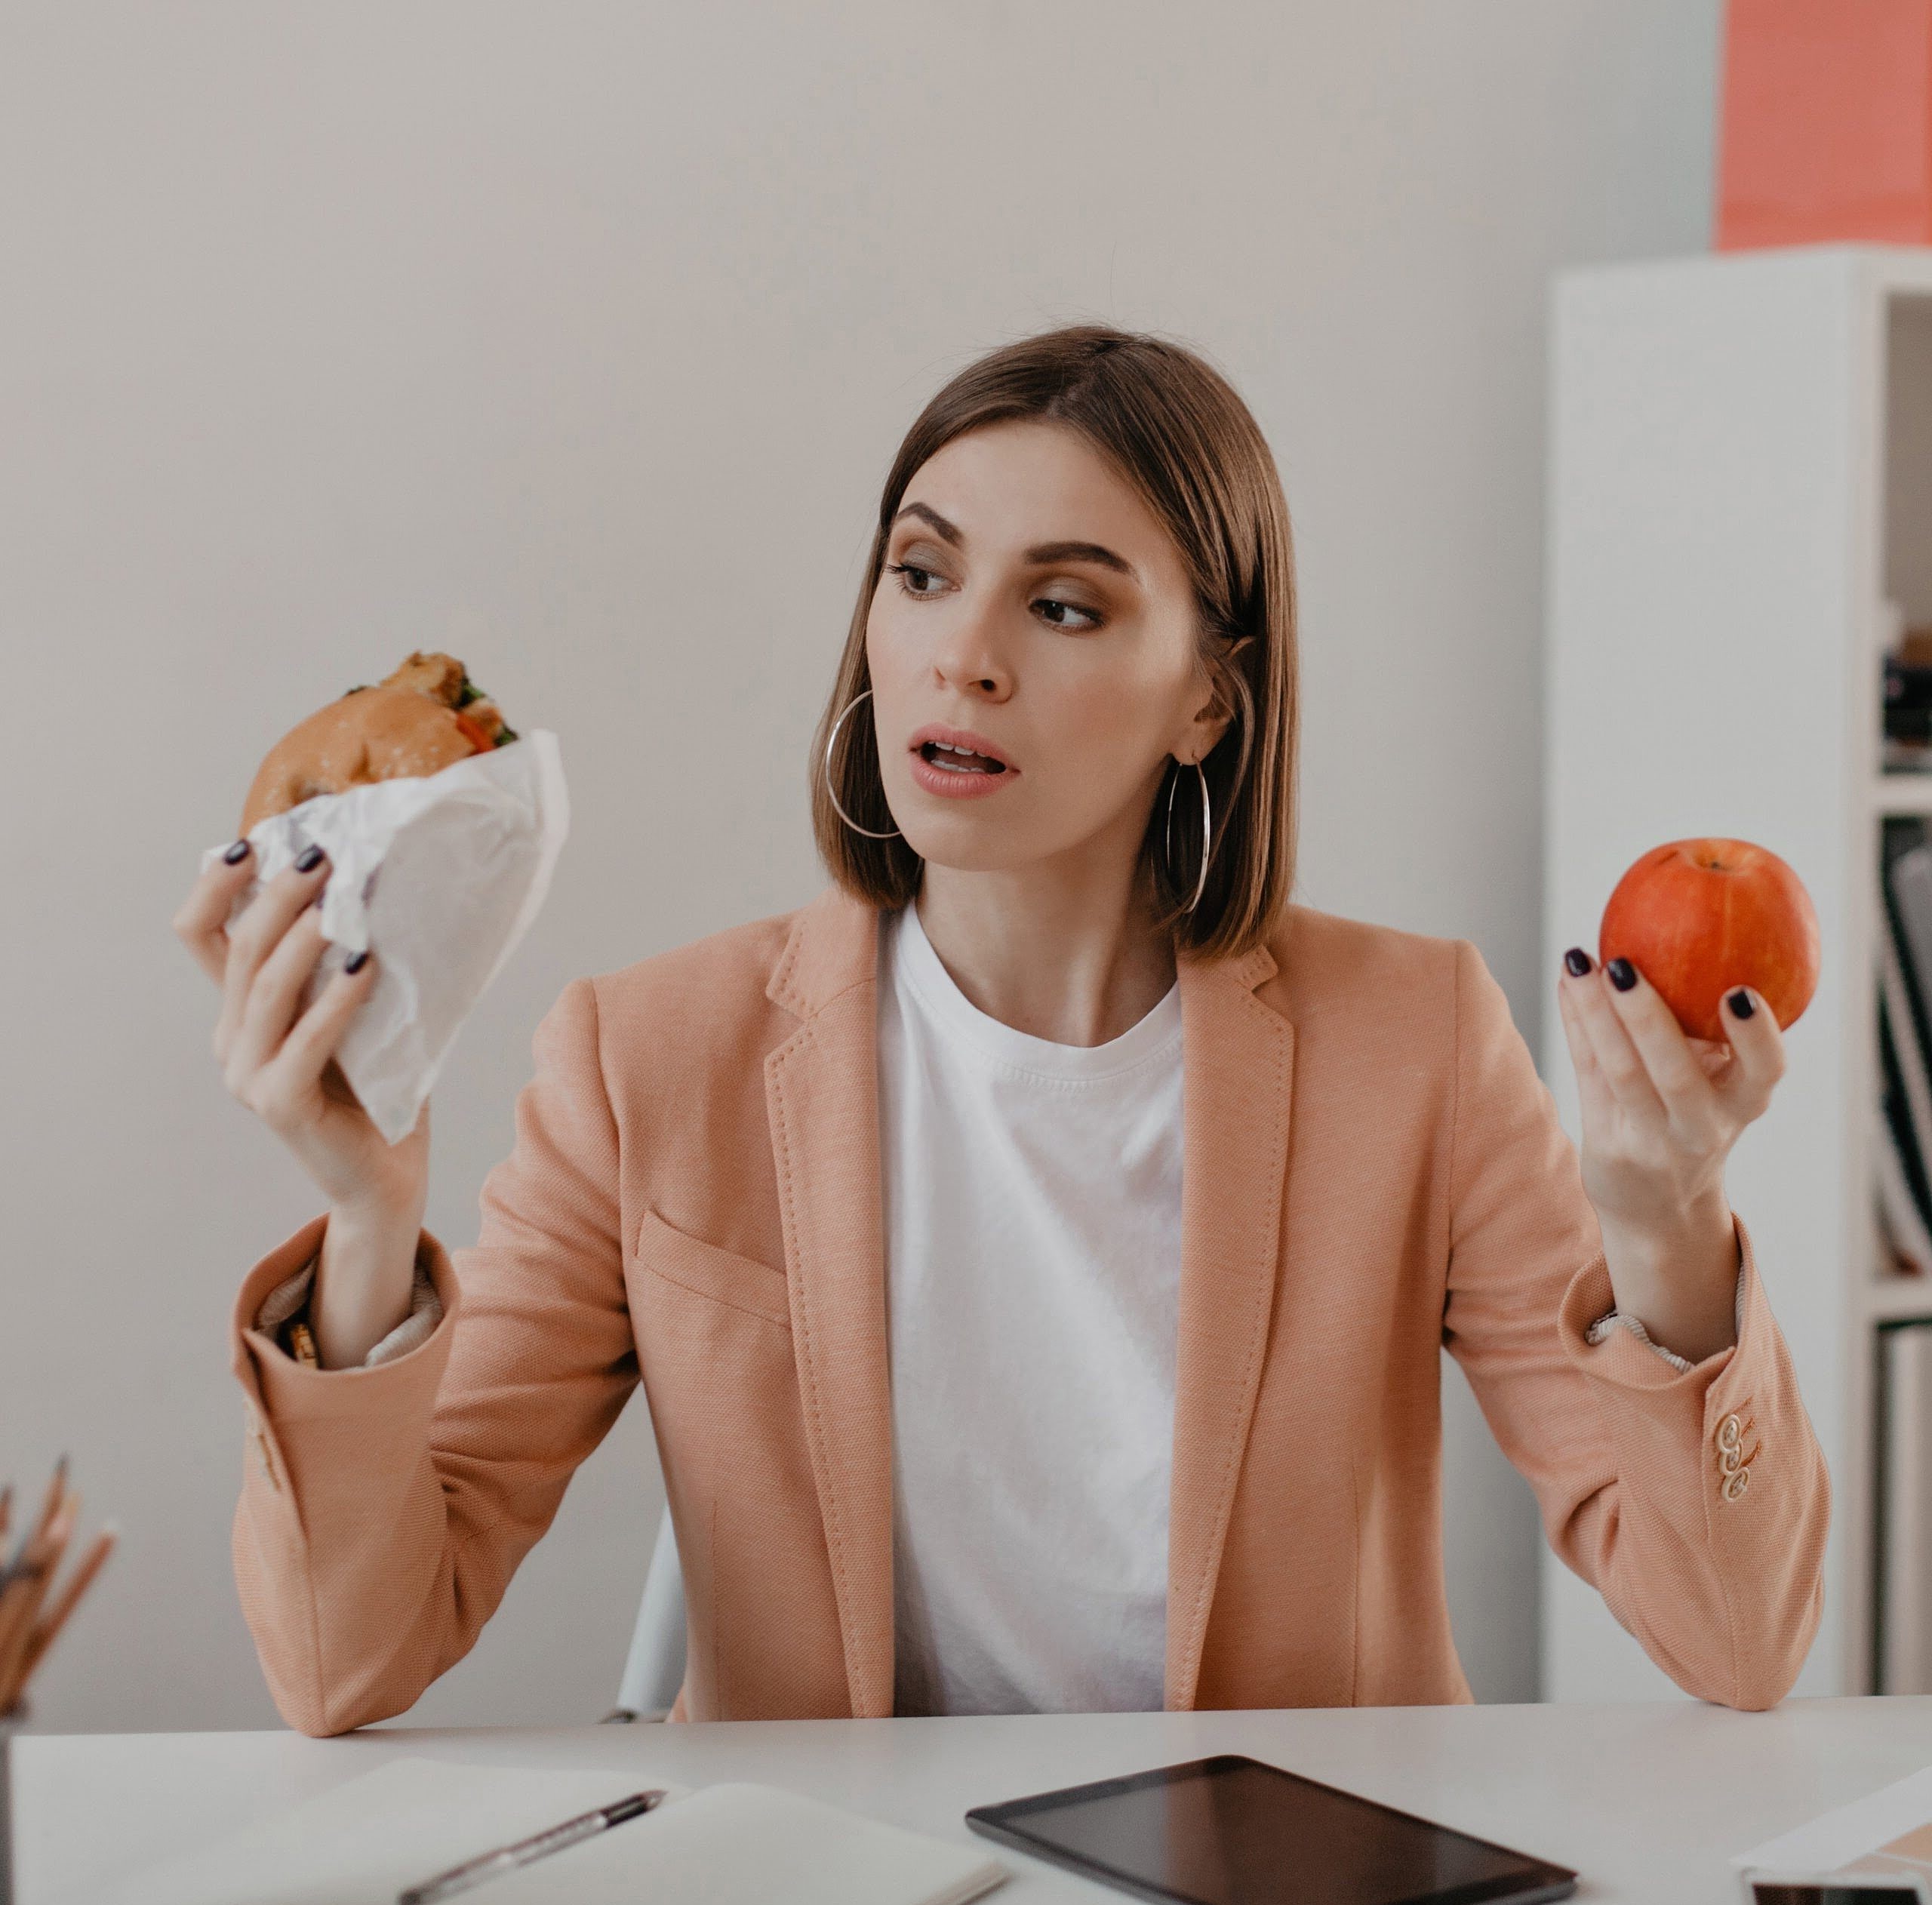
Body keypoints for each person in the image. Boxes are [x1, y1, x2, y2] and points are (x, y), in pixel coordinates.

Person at [172, 324, 1828, 1737]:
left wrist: (1667, 1231)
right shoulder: (643, 1056)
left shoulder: (1416, 1041)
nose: (958, 653)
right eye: (921, 570)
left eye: (1065, 606)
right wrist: (372, 1218)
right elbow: (351, 1659)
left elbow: (1731, 1645)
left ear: (1207, 698)